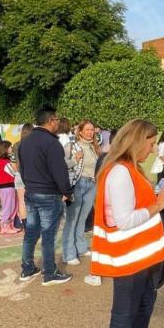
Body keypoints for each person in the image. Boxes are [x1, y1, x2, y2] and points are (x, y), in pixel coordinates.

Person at [90, 120, 164, 328]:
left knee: (141, 308)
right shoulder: (119, 172)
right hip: (128, 259)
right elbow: (125, 220)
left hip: (140, 257)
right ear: (136, 141)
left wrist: (155, 200)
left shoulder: (128, 169)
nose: (153, 149)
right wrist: (158, 204)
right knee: (124, 316)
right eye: (151, 143)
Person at [17, 108, 73, 285]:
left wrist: (30, 185)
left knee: (31, 232)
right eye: (56, 119)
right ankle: (49, 273)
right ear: (50, 121)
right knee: (48, 236)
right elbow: (60, 171)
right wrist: (67, 191)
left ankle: (27, 268)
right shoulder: (51, 143)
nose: (58, 123)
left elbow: (22, 168)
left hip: (31, 192)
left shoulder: (25, 142)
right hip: (48, 194)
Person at [71, 120, 102, 284]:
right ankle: (70, 252)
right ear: (80, 131)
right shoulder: (75, 146)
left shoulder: (95, 147)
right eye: (87, 130)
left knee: (83, 219)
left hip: (92, 183)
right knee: (73, 219)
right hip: (79, 183)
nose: (91, 132)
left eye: (92, 130)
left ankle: (81, 247)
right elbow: (67, 165)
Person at [0, 140, 21, 234]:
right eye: (10, 147)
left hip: (6, 187)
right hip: (6, 187)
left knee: (12, 206)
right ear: (4, 149)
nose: (12, 149)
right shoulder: (4, 162)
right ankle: (5, 226)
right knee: (8, 206)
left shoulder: (0, 161)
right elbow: (15, 172)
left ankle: (10, 225)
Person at [14, 123, 34, 229]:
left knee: (21, 201)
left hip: (19, 174)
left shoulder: (16, 145)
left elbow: (15, 163)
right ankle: (33, 223)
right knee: (33, 201)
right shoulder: (35, 144)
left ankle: (25, 225)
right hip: (32, 175)